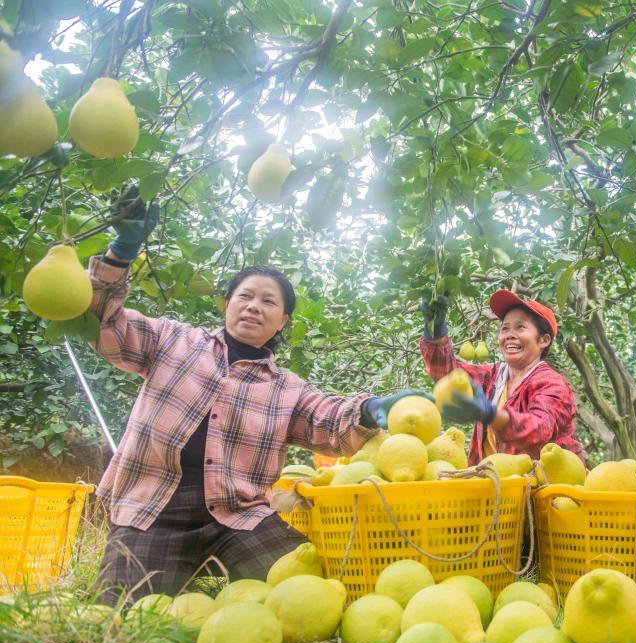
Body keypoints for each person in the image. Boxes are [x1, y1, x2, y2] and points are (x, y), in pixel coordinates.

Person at [89, 188, 418, 604]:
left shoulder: (286, 388)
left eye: (268, 302)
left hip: (238, 516)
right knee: (121, 612)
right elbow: (102, 324)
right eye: (244, 296)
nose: (253, 307)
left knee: (308, 598)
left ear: (282, 321)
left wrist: (372, 410)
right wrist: (120, 254)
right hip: (155, 508)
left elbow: (328, 419)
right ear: (227, 304)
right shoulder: (171, 341)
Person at [420, 290, 584, 465]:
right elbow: (448, 374)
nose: (509, 335)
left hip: (543, 487)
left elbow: (539, 429)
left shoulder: (552, 383)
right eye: (505, 328)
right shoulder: (493, 377)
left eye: (520, 327)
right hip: (495, 484)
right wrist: (435, 333)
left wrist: (491, 414)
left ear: (543, 340)